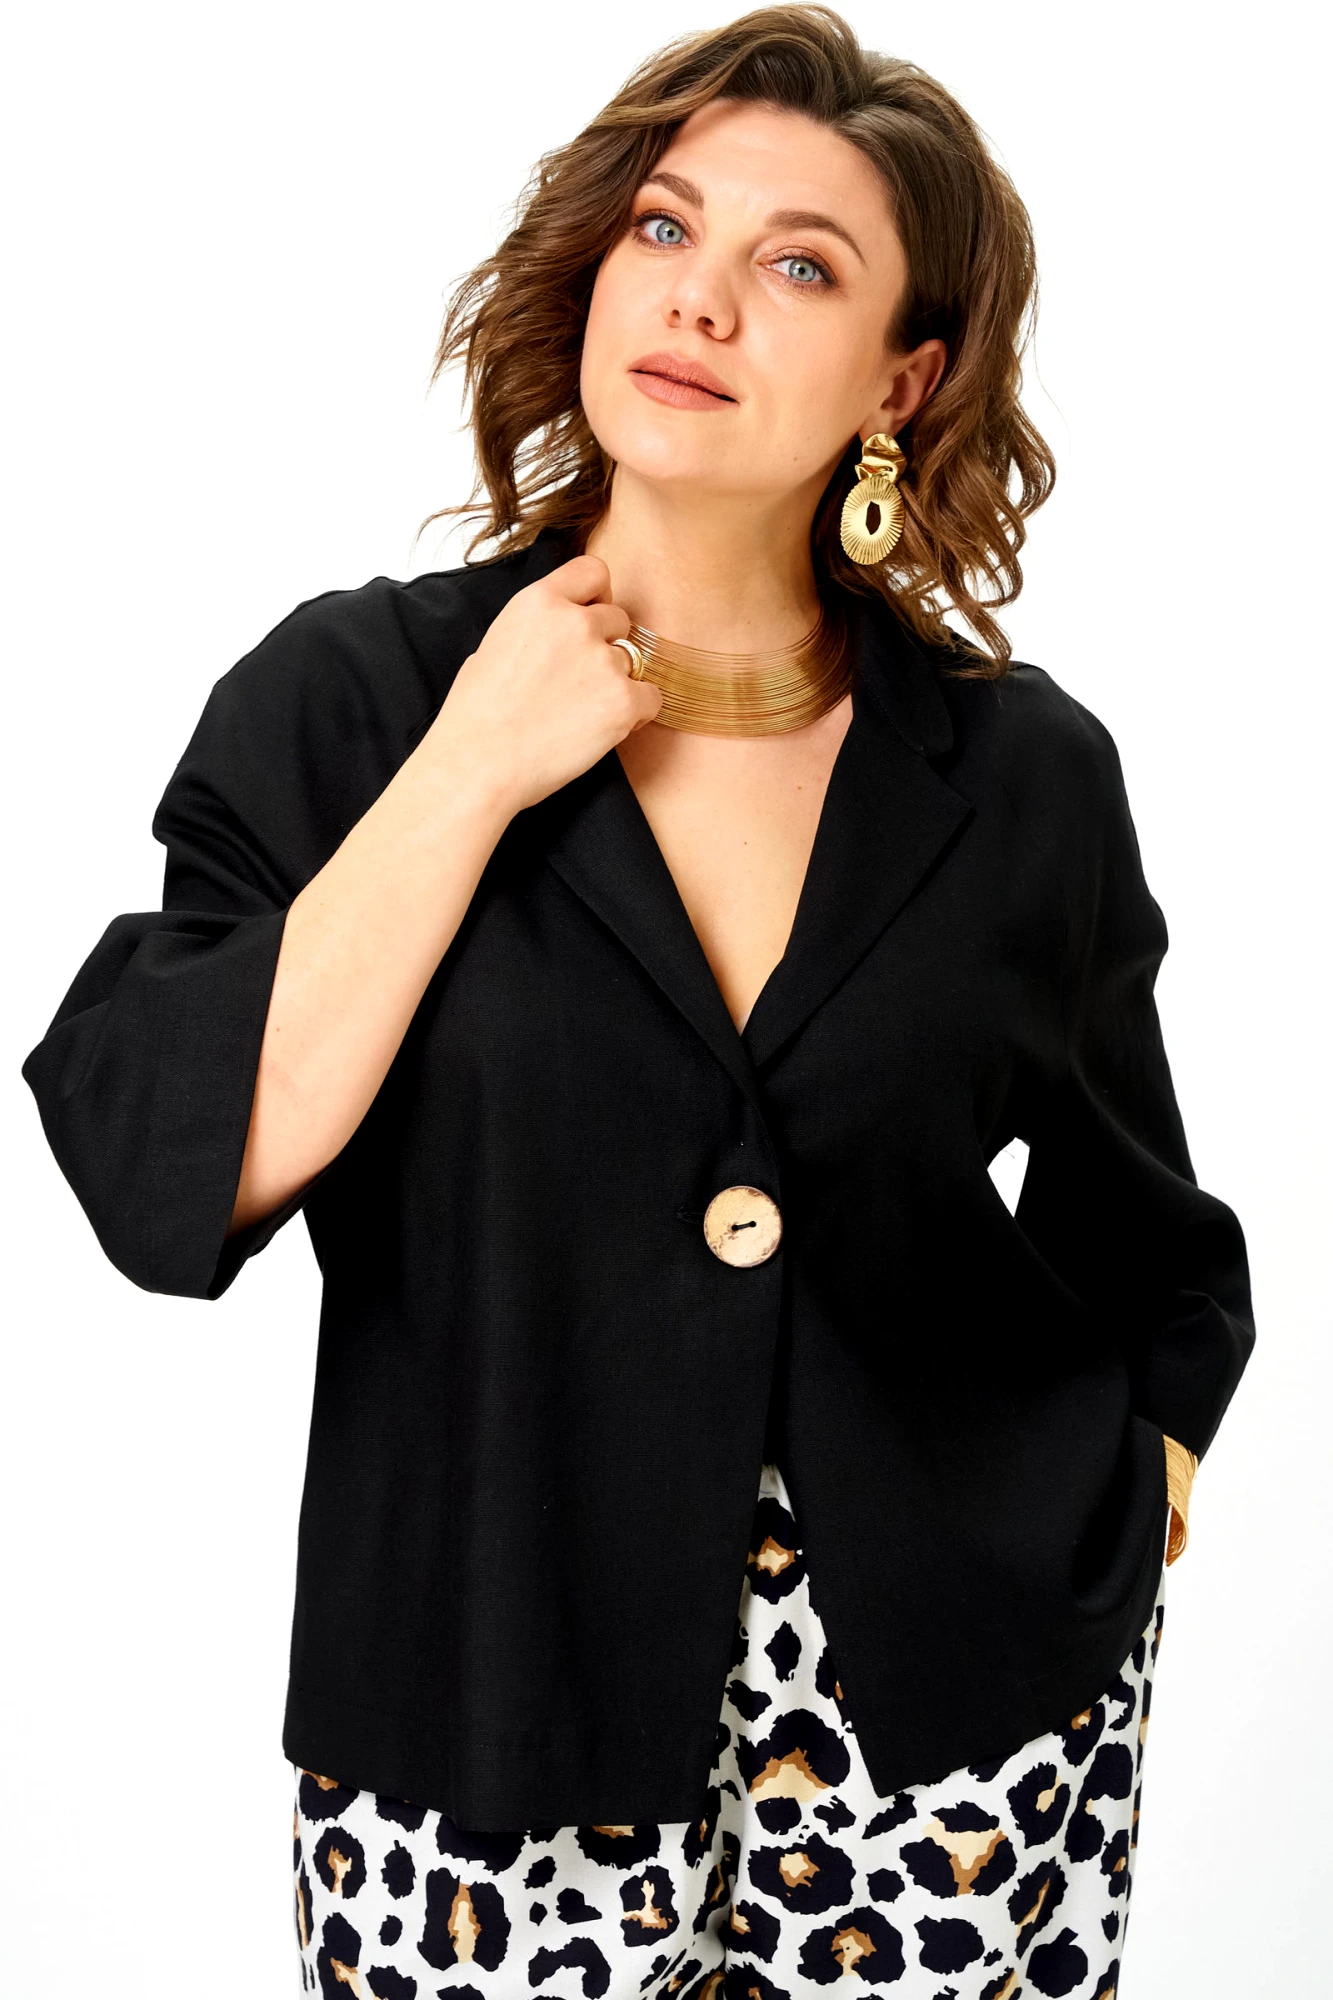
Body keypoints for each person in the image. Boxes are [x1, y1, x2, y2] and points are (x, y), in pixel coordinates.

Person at [22, 7, 1254, 1994]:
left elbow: (1149, 1232)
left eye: (800, 266)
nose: (700, 297)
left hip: (954, 1739)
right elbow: (175, 1168)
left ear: (903, 378)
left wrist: (1143, 1488)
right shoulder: (355, 702)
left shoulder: (1024, 774)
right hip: (486, 1713)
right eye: (665, 228)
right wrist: (469, 767)